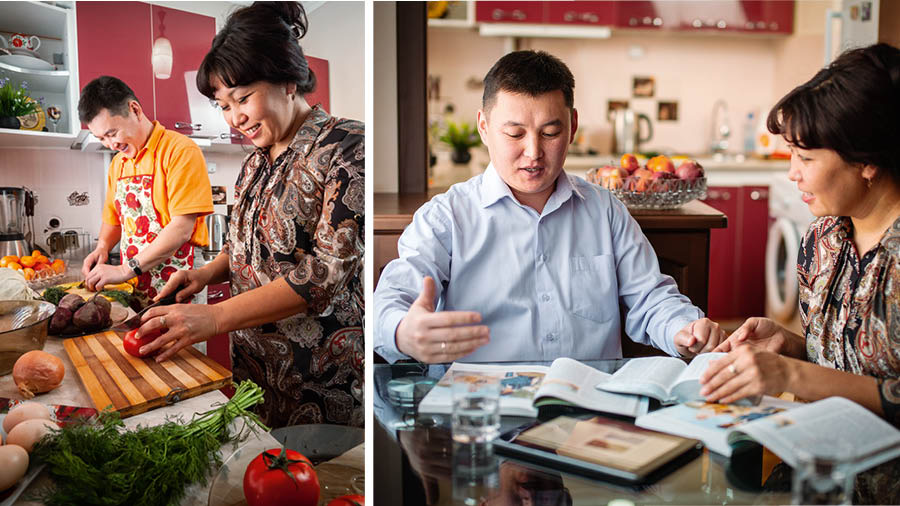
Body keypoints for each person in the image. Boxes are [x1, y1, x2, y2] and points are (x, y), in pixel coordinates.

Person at [374, 50, 724, 364]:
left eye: (550, 133)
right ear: (484, 127)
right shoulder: (446, 217)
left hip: (587, 402)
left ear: (572, 127)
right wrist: (403, 332)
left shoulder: (605, 211)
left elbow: (651, 298)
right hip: (479, 404)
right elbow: (390, 300)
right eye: (515, 134)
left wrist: (685, 329)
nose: (533, 152)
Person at [132, 1, 364, 429]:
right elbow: (243, 248)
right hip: (253, 378)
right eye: (223, 105)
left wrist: (214, 317)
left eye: (242, 98)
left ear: (288, 81)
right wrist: (205, 274)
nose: (235, 118)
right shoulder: (255, 163)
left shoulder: (347, 147)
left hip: (320, 383)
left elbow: (323, 276)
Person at [699, 43, 900, 503]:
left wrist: (791, 375)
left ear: (867, 161)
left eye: (805, 159)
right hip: (815, 471)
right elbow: (844, 364)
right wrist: (789, 345)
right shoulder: (823, 239)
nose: (793, 174)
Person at [78, 76, 213, 299]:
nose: (111, 145)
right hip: (135, 281)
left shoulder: (180, 151)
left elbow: (181, 228)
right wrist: (102, 247)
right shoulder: (118, 164)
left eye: (112, 133)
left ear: (135, 110)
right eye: (101, 138)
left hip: (178, 277)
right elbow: (113, 219)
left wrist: (124, 269)